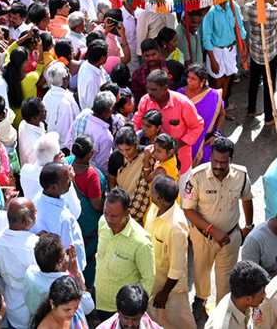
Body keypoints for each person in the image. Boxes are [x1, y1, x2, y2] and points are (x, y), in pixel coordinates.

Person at [182, 137, 253, 308]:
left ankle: (222, 313)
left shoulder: (241, 176)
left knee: (226, 281)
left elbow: (247, 198)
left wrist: (248, 226)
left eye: (223, 162)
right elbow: (188, 210)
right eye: (215, 160)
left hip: (230, 237)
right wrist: (212, 230)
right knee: (201, 273)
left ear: (232, 159)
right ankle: (200, 302)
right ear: (211, 157)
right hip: (202, 237)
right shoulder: (196, 177)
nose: (218, 166)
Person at [93, 188, 155, 322]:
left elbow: (148, 278)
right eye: (106, 213)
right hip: (101, 299)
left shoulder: (141, 242)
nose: (109, 219)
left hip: (123, 311)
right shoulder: (103, 222)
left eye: (114, 216)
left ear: (127, 213)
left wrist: (135, 312)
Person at [145, 176, 193, 329]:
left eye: (152, 190)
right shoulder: (154, 208)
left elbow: (177, 268)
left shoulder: (176, 227)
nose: (149, 191)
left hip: (170, 291)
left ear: (158, 197)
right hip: (153, 282)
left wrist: (164, 293)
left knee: (178, 322)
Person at [202, 260, 277, 329]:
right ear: (248, 299)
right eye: (262, 293)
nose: (265, 295)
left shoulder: (238, 300)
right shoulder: (225, 326)